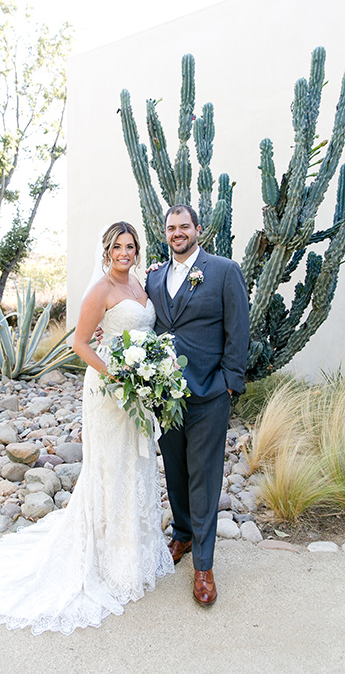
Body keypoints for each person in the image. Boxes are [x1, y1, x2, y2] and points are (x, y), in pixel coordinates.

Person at [0, 221, 174, 634]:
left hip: (137, 391)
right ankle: (108, 558)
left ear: (137, 250)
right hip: (110, 391)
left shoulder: (142, 286)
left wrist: (146, 376)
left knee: (135, 465)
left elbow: (145, 331)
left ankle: (136, 551)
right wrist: (117, 374)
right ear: (107, 251)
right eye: (117, 247)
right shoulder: (102, 289)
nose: (125, 252)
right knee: (109, 467)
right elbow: (80, 343)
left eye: (130, 246)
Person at [146, 203, 249, 606]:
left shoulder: (224, 271)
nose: (177, 233)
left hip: (209, 393)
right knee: (174, 470)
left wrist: (229, 384)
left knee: (204, 478)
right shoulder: (154, 277)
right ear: (166, 233)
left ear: (198, 229)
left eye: (184, 226)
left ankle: (203, 566)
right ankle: (184, 536)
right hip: (165, 395)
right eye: (171, 228)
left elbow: (238, 328)